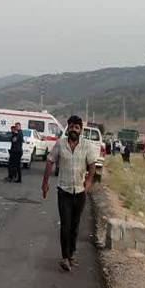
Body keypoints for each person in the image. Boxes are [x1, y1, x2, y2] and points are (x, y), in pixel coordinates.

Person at [41, 115, 97, 272]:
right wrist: (45, 183)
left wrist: (89, 181)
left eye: (76, 127)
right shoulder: (60, 144)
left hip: (79, 192)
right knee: (65, 224)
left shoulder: (87, 146)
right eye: (71, 126)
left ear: (81, 130)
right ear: (68, 128)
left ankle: (71, 253)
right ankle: (65, 257)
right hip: (64, 191)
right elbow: (50, 161)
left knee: (74, 225)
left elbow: (92, 165)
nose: (74, 129)